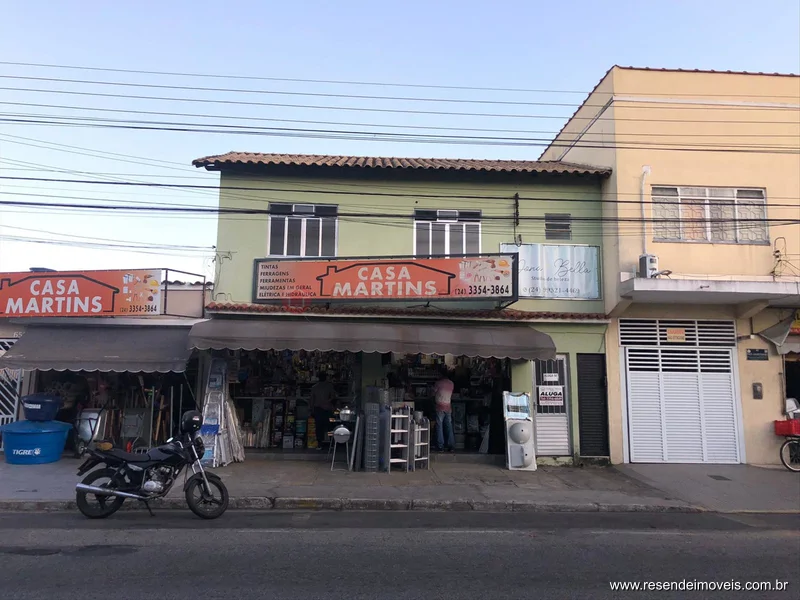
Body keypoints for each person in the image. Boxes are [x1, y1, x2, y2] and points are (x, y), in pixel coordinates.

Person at [310, 372, 337, 449]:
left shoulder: (314, 387)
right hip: (327, 408)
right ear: (326, 377)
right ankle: (332, 443)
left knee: (319, 427)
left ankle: (320, 444)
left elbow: (312, 400)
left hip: (318, 409)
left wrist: (311, 410)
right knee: (330, 427)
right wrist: (327, 402)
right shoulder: (329, 386)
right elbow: (333, 396)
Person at [433, 369, 456, 452]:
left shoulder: (438, 383)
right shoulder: (451, 383)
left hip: (439, 407)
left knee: (439, 426)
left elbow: (433, 393)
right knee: (448, 426)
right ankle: (451, 446)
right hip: (448, 407)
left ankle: (440, 446)